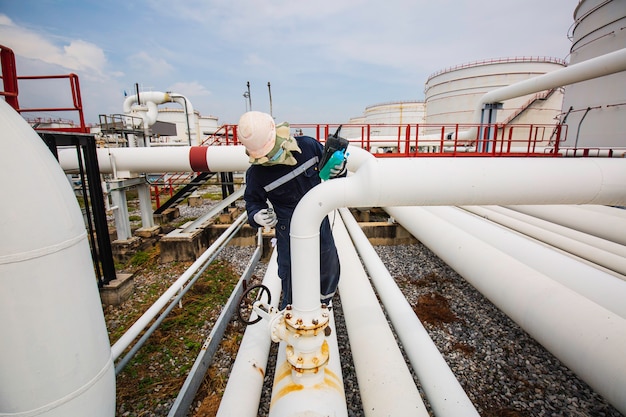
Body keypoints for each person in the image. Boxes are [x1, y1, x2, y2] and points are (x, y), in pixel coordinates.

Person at [238, 111, 346, 309]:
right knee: (290, 272)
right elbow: (253, 201)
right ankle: (292, 308)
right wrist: (256, 216)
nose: (269, 157)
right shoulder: (257, 174)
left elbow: (335, 173)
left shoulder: (307, 147)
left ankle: (323, 304)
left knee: (328, 265)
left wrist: (340, 171)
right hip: (287, 228)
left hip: (318, 218)